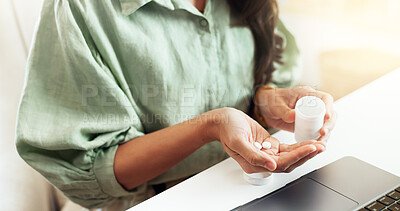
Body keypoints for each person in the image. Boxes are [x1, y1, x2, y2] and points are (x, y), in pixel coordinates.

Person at [16, 0, 337, 210]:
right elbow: (91, 168)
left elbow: (251, 77)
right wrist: (210, 126)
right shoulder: (82, 8)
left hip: (244, 190)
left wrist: (265, 99)